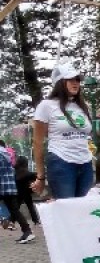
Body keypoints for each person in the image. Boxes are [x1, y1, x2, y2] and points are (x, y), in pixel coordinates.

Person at [31, 64, 94, 199]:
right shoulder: (46, 106)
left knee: (85, 208)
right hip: (61, 161)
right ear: (60, 83)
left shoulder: (84, 106)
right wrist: (40, 176)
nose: (75, 83)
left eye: (77, 80)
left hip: (86, 162)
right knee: (66, 208)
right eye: (70, 80)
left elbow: (87, 135)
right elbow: (37, 142)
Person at [0, 143, 34, 243]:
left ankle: (26, 231)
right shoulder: (8, 152)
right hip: (10, 186)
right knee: (14, 210)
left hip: (2, 186)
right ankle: (27, 232)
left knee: (14, 210)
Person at [13, 156, 39, 226]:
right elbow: (36, 175)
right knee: (30, 207)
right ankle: (36, 221)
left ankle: (10, 220)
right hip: (26, 193)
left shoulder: (16, 172)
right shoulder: (26, 173)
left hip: (18, 193)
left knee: (16, 208)